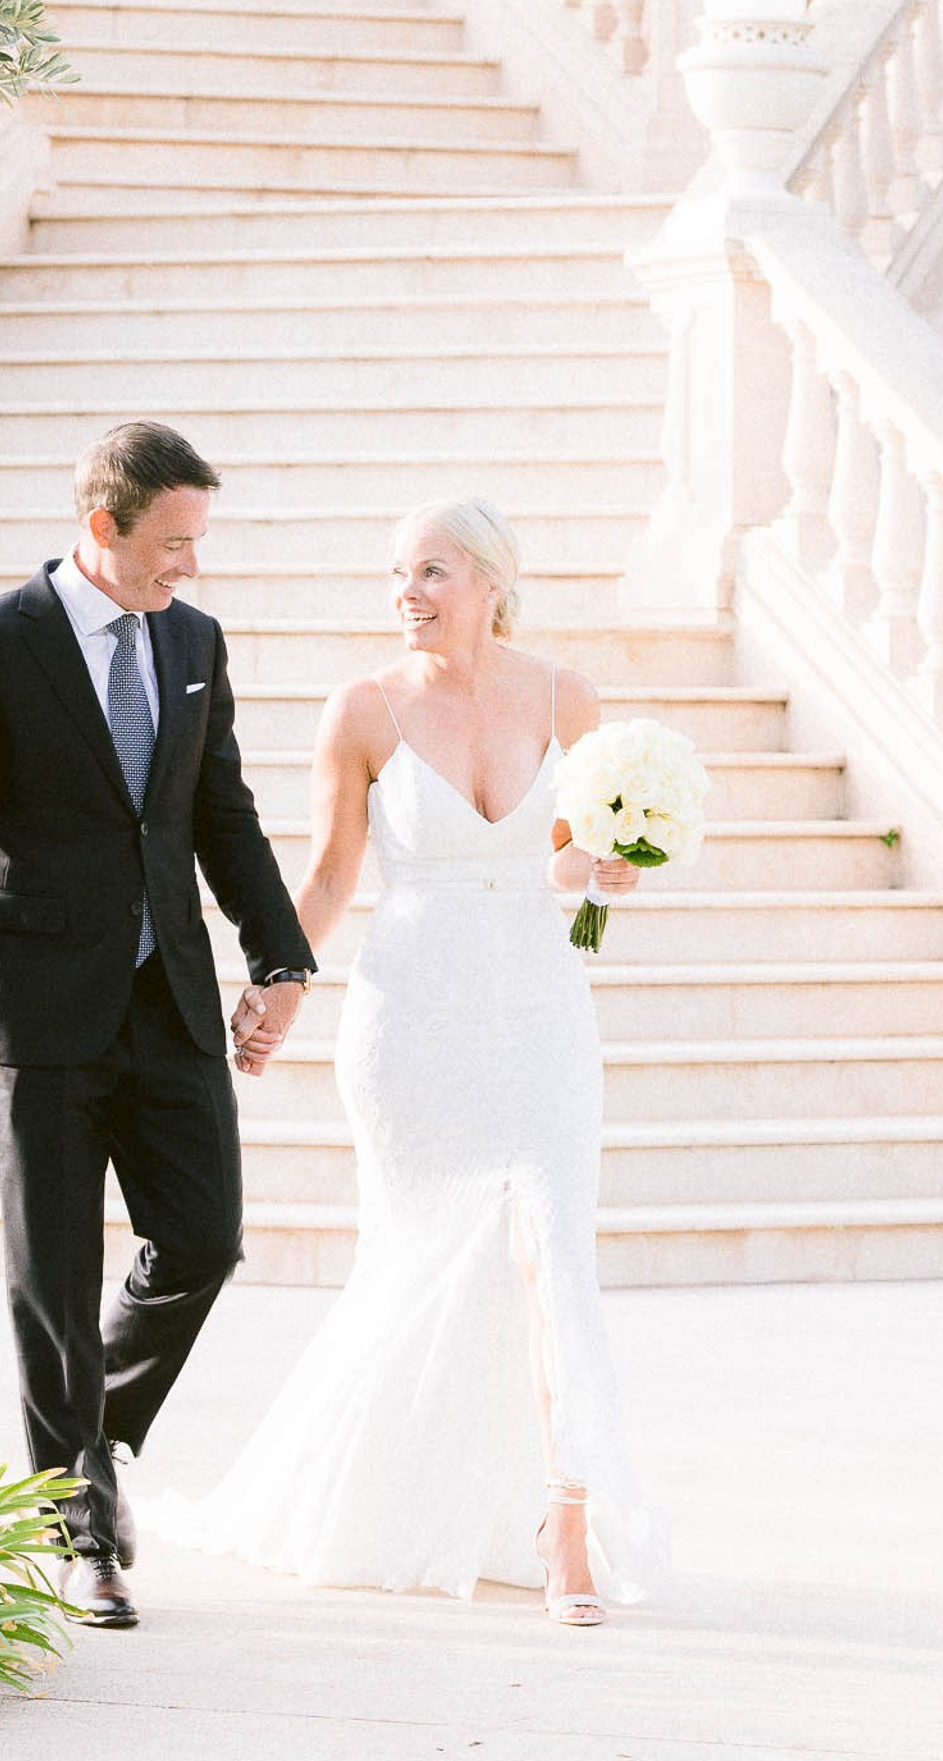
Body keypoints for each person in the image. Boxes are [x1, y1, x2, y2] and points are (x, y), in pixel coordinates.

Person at [165, 500, 666, 1622]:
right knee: (416, 1255)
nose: (407, 592)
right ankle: (397, 1489)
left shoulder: (563, 697)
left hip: (538, 1007)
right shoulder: (361, 711)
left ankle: (566, 1531)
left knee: (555, 1253)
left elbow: (566, 864)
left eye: (431, 569)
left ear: (490, 578)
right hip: (412, 1015)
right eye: (396, 572)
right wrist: (278, 985)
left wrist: (607, 871)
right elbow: (335, 875)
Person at [0, 420, 316, 1629]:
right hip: (39, 1006)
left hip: (167, 995)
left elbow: (217, 809)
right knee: (56, 1271)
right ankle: (84, 1531)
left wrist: (277, 954)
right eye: (172, 543)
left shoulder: (192, 639)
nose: (189, 566)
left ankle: (85, 1447)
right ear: (101, 526)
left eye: (198, 542)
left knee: (205, 1236)